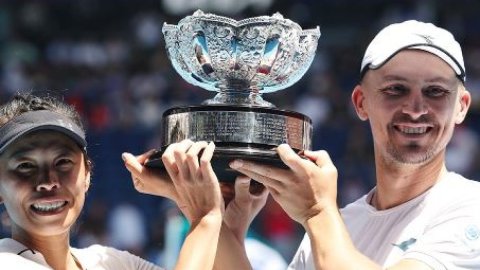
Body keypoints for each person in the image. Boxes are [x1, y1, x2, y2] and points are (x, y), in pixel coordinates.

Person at [221, 20, 480, 269]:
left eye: (435, 91)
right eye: (396, 89)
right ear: (360, 102)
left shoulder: (472, 208)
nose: (415, 109)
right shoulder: (337, 226)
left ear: (461, 107)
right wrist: (225, 227)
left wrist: (318, 211)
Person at [0, 92, 224, 270]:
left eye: (63, 162)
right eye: (25, 166)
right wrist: (206, 218)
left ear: (87, 174)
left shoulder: (112, 262)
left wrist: (226, 222)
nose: (48, 181)